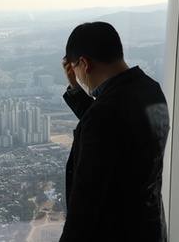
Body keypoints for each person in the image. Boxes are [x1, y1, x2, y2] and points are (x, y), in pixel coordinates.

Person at [59, 21, 169, 242]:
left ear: (84, 63)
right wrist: (76, 89)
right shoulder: (150, 90)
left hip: (115, 233)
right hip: (150, 227)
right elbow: (116, 132)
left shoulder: (105, 115)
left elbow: (86, 200)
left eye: (77, 69)